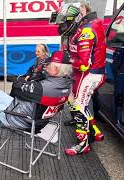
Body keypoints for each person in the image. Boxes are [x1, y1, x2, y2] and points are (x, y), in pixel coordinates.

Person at [0, 51, 72, 145]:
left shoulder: (42, 88)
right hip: (41, 120)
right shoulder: (67, 86)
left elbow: (17, 88)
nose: (46, 66)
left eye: (49, 65)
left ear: (56, 69)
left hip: (26, 121)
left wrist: (21, 79)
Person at [51, 2, 106, 155]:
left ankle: (82, 144)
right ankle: (94, 131)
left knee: (77, 106)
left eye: (64, 22)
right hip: (84, 73)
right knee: (72, 100)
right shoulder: (80, 29)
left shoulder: (86, 32)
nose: (61, 27)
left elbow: (83, 64)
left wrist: (66, 60)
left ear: (74, 19)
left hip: (90, 74)